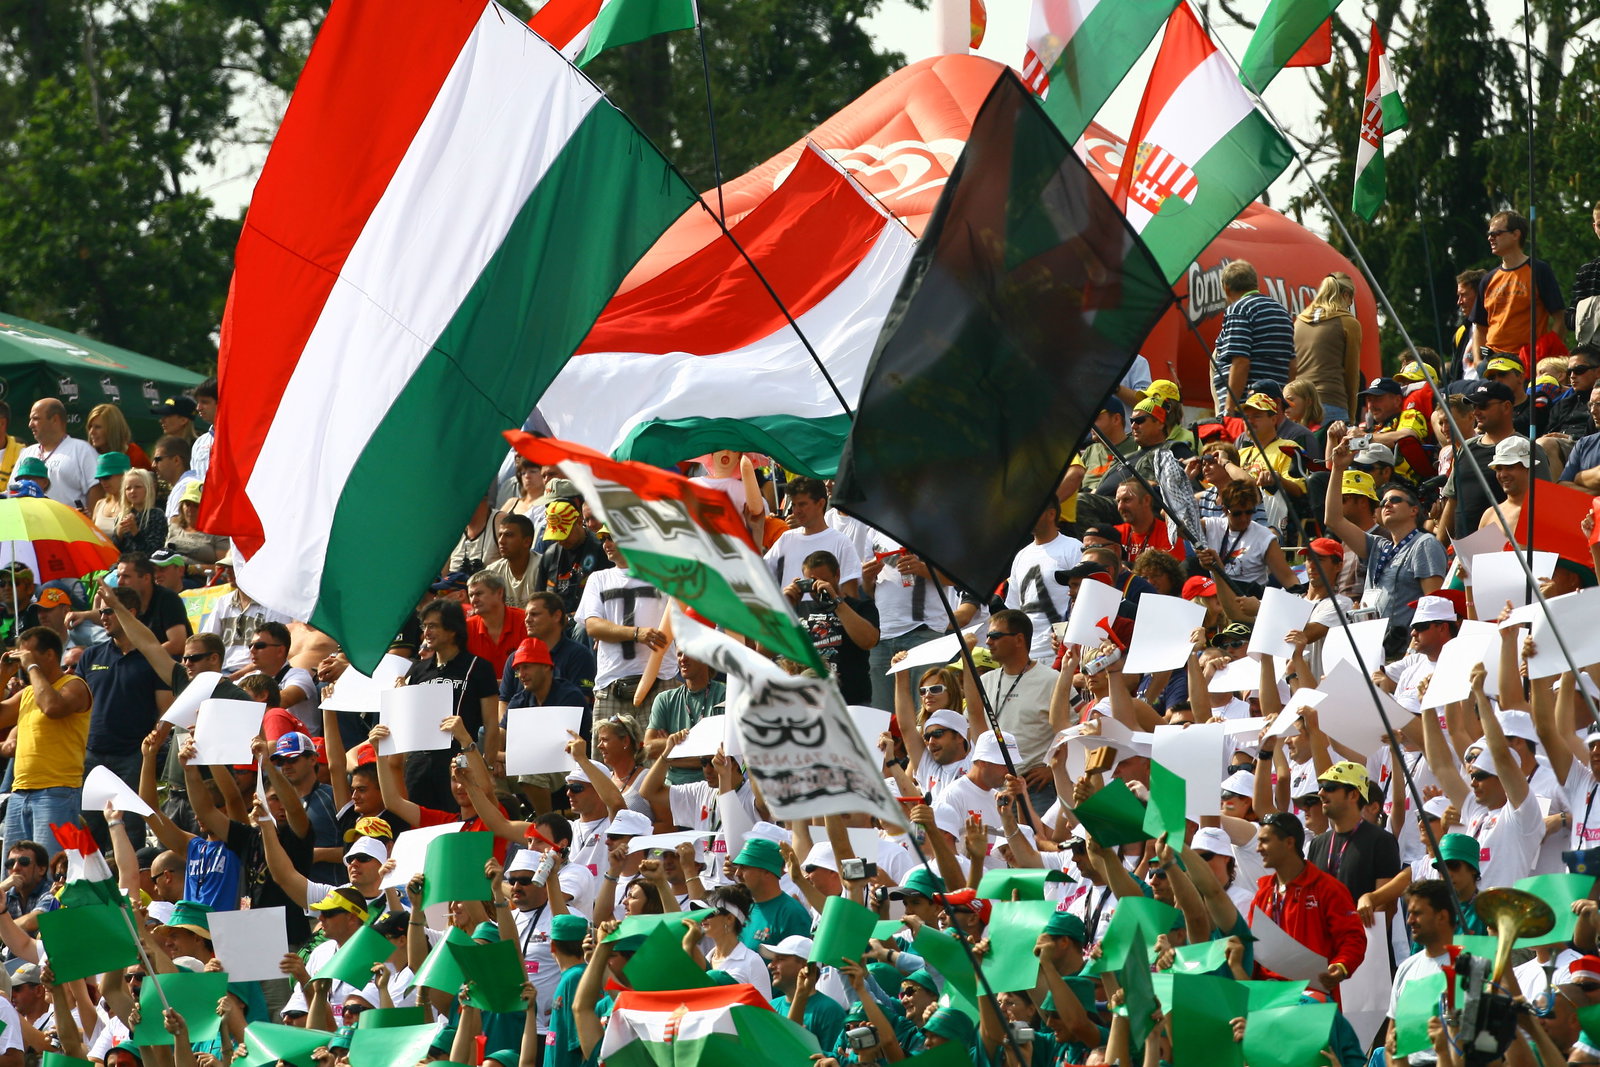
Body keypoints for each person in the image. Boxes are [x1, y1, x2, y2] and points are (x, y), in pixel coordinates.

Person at [1322, 424, 1445, 643]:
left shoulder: (1424, 543)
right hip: (1373, 645)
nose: (1387, 504)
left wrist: (1417, 647)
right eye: (1384, 501)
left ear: (1414, 510)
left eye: (1395, 500)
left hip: (1405, 646)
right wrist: (1338, 469)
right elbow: (1333, 519)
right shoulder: (1379, 546)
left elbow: (1433, 602)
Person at [76, 586, 171, 849]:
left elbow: (165, 709)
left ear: (129, 612)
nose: (102, 617)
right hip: (91, 754)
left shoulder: (152, 659)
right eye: (100, 612)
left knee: (131, 830)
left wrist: (150, 750)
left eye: (108, 611)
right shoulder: (90, 655)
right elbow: (77, 705)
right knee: (89, 829)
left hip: (132, 756)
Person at [0, 627, 92, 858]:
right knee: (13, 873)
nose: (22, 659)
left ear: (50, 655)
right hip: (20, 791)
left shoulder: (74, 685)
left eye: (27, 653)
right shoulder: (28, 693)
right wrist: (3, 675)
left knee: (50, 870)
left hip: (56, 792)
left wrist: (31, 666)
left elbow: (53, 707)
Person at [1248, 812, 1365, 990]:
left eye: (1265, 841)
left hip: (1310, 997)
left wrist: (1341, 966)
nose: (1258, 848)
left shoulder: (1327, 889)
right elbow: (1253, 948)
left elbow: (1352, 938)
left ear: (1289, 842)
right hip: (1268, 997)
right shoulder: (1263, 893)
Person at [402, 599, 498, 811]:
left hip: (458, 763)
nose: (426, 632)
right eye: (424, 626)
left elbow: (491, 725)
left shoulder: (479, 667)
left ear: (453, 630)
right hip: (419, 763)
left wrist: (487, 769)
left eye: (433, 626)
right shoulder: (417, 670)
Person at [577, 531, 676, 734]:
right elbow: (592, 626)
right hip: (611, 683)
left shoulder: (663, 575)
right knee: (605, 761)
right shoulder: (598, 578)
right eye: (603, 539)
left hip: (661, 681)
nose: (606, 544)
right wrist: (636, 633)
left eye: (612, 537)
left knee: (658, 758)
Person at [963, 609, 1062, 812]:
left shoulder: (1052, 679)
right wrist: (966, 656)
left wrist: (1053, 768)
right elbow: (973, 720)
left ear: (1019, 639)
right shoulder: (985, 681)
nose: (988, 641)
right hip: (995, 789)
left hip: (1036, 789)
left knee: (1039, 844)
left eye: (995, 636)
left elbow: (1072, 730)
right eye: (988, 636)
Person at [1438, 378, 1550, 541]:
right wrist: (1439, 545)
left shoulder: (1527, 449)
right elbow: (1453, 500)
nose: (1476, 412)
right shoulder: (1466, 448)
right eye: (1474, 406)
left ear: (1506, 407)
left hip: (1506, 553)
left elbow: (1543, 503)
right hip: (1463, 554)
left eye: (1483, 406)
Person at [1470, 209, 1564, 363]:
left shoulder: (1538, 270)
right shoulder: (1488, 279)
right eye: (1489, 234)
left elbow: (1560, 318)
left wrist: (1544, 357)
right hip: (1493, 361)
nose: (1490, 238)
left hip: (1526, 362)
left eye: (1496, 234)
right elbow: (1479, 327)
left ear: (1516, 234)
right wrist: (1478, 361)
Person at [786, 550, 879, 703]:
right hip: (805, 701)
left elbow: (869, 641)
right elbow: (763, 650)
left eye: (822, 581)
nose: (817, 588)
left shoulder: (860, 607)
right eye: (811, 582)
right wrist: (783, 606)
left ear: (837, 575)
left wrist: (836, 602)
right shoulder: (797, 609)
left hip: (850, 700)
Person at [1306, 761, 1401, 906]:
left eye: (1329, 788)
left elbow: (1385, 906)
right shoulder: (1317, 843)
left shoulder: (1381, 841)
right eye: (1320, 788)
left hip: (1362, 928)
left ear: (1353, 795)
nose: (1321, 793)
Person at [1003, 505, 1083, 664]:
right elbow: (1013, 609)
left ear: (1051, 513)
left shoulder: (1074, 548)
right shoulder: (1021, 555)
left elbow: (1085, 599)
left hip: (1059, 653)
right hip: (1026, 654)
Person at [1213, 260, 1295, 414]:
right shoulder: (1282, 312)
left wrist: (1230, 408)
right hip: (1273, 408)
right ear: (1255, 285)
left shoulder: (1239, 309)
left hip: (1248, 409)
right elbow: (1292, 364)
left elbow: (1241, 361)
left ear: (1227, 288)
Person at [764, 478, 862, 596]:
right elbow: (761, 575)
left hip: (832, 613)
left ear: (820, 503)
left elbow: (851, 596)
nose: (796, 511)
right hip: (792, 614)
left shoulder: (842, 542)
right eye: (794, 505)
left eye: (802, 504)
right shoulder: (786, 539)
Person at [644, 650, 725, 785]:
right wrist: (701, 748)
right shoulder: (664, 699)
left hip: (712, 787)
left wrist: (669, 752)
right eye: (679, 654)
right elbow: (648, 748)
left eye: (689, 652)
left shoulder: (723, 696)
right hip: (672, 788)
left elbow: (719, 753)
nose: (682, 659)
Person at [1291, 272, 1362, 425]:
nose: (1349, 306)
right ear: (1345, 295)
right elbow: (1352, 375)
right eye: (1351, 301)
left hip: (1298, 405)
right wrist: (1351, 416)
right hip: (1331, 402)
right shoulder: (1349, 323)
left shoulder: (1299, 322)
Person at [18, 398, 99, 512]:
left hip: (68, 527)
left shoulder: (82, 450)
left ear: (55, 419)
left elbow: (96, 489)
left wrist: (91, 521)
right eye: (30, 419)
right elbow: (13, 490)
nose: (30, 424)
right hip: (31, 526)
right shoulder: (26, 453)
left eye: (36, 419)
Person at [531, 502, 610, 617]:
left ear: (578, 521)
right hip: (555, 621)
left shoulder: (601, 551)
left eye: (564, 534)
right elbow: (538, 598)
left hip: (588, 618)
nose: (561, 541)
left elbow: (606, 600)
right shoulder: (549, 555)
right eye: (556, 536)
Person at [113, 552, 191, 658]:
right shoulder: (126, 602)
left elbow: (177, 644)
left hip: (167, 664)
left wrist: (137, 659)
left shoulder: (168, 599)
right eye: (118, 576)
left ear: (146, 578)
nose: (119, 582)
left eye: (126, 577)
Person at [465, 571, 525, 681]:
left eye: (479, 594)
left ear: (499, 593)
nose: (474, 600)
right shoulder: (467, 628)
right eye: (471, 595)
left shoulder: (525, 621)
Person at [485, 513, 540, 617]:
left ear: (527, 541)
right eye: (500, 535)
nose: (501, 541)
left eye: (508, 535)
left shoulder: (541, 567)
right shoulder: (493, 571)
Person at [164, 480, 228, 564]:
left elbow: (223, 569)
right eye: (187, 504)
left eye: (196, 505)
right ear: (181, 506)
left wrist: (194, 569)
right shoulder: (174, 527)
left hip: (199, 576)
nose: (190, 509)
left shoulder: (218, 533)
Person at [110, 469, 167, 555]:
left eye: (138, 487)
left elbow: (154, 551)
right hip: (122, 565)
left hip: (145, 566)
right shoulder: (122, 516)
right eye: (128, 488)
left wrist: (135, 532)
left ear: (148, 489)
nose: (132, 491)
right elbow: (114, 551)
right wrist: (119, 535)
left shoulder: (156, 515)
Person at [150, 436, 197, 519]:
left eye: (158, 459)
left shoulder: (186, 487)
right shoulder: (184, 485)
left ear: (176, 460)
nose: (153, 465)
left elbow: (176, 525)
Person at [90, 451, 130, 538]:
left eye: (106, 477)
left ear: (124, 475)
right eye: (100, 479)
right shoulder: (100, 504)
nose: (103, 482)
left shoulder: (135, 505)